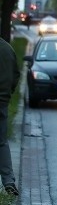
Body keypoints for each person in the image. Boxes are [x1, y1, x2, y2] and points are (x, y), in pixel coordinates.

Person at [0, 37, 20, 196]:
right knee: (1, 143)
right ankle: (8, 181)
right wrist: (7, 95)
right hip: (2, 103)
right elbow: (16, 75)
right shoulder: (7, 48)